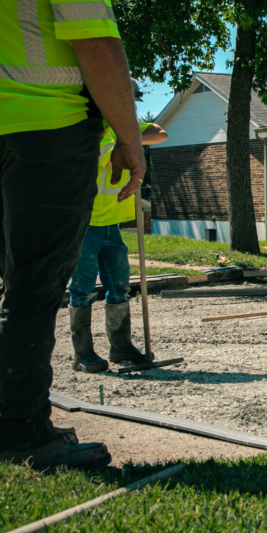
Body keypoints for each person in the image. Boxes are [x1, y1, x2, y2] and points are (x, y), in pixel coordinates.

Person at [0, 0, 146, 469]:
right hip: (45, 135)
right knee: (32, 287)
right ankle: (19, 429)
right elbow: (98, 49)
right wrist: (130, 139)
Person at [67, 82, 167, 373]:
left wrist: (131, 136)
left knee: (120, 287)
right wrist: (131, 141)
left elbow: (160, 133)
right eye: (126, 101)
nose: (131, 108)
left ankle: (120, 347)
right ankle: (82, 353)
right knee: (82, 290)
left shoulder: (123, 129)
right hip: (86, 224)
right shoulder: (88, 131)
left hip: (112, 226)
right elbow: (116, 154)